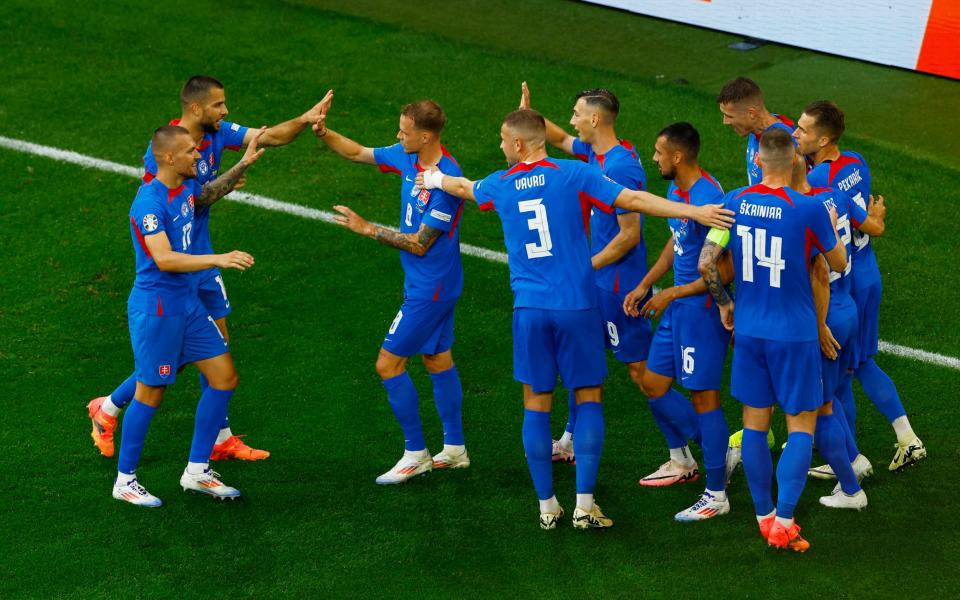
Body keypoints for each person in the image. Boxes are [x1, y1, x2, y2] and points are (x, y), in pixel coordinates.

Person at [417, 109, 734, 529]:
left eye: (501, 139)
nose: (498, 145)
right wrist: (695, 213)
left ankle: (547, 506)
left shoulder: (500, 184)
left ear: (516, 145)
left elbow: (462, 186)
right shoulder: (573, 174)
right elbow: (634, 201)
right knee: (587, 399)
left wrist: (433, 179)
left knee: (535, 404)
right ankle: (585, 505)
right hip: (577, 307)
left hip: (528, 309)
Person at [89, 76, 332, 461]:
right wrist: (231, 178)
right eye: (219, 105)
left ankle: (216, 438)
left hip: (202, 260)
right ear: (197, 109)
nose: (226, 112)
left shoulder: (216, 131)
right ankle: (111, 411)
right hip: (180, 266)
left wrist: (304, 119)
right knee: (180, 353)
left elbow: (269, 137)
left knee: (213, 349)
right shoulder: (167, 153)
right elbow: (184, 204)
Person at [520, 83, 701, 472]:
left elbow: (629, 235)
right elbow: (562, 139)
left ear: (596, 119)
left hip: (621, 290)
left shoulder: (622, 166)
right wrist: (530, 119)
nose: (572, 120)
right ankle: (569, 440)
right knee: (581, 362)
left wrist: (582, 267)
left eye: (577, 113)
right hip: (597, 286)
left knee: (643, 375)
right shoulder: (591, 153)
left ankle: (698, 450)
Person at [698, 128, 846, 552]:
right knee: (801, 425)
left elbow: (707, 261)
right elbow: (836, 262)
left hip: (749, 330)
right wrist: (828, 229)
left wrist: (725, 302)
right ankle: (784, 519)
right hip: (795, 333)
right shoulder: (809, 208)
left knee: (754, 426)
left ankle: (763, 515)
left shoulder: (736, 201)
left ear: (758, 161)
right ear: (796, 158)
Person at [314, 98, 469, 484]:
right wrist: (323, 132)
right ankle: (455, 449)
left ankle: (416, 453)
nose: (398, 136)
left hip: (430, 289)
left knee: (388, 364)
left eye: (404, 130)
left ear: (426, 135)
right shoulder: (405, 156)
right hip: (433, 284)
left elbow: (420, 243)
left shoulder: (447, 179)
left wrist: (368, 229)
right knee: (436, 359)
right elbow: (357, 152)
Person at [114, 125, 263, 506]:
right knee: (150, 393)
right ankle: (125, 480)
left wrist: (240, 165)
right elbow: (163, 258)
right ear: (168, 158)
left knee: (224, 378)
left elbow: (206, 195)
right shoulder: (149, 203)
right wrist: (218, 258)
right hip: (159, 309)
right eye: (192, 152)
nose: (199, 156)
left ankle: (197, 470)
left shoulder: (186, 187)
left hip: (189, 305)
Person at [794, 100, 925, 472]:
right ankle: (902, 437)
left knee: (843, 374)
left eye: (802, 130)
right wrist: (873, 220)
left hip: (844, 282)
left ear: (823, 139)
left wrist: (875, 223)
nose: (795, 134)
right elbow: (865, 219)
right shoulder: (855, 161)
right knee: (858, 364)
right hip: (869, 274)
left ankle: (848, 460)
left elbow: (864, 225)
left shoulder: (817, 182)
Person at [623, 123, 733, 519]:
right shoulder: (679, 193)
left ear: (678, 157)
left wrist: (671, 293)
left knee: (705, 398)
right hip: (677, 308)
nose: (654, 158)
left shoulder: (711, 199)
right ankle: (708, 454)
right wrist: (648, 283)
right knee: (652, 384)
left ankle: (717, 493)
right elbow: (677, 240)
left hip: (700, 310)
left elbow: (724, 270)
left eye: (658, 152)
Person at [717, 76, 794, 186]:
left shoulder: (784, 140)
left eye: (729, 116)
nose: (725, 122)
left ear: (752, 114)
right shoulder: (755, 130)